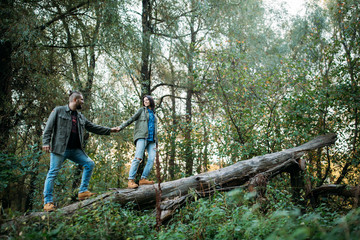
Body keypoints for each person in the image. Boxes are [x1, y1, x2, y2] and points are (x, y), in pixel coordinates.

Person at [42, 90, 119, 212]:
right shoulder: (58, 111)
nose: (83, 102)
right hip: (59, 149)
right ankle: (48, 203)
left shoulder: (80, 117)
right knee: (53, 173)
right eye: (81, 100)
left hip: (75, 150)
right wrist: (45, 142)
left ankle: (83, 191)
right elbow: (48, 127)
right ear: (75, 100)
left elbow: (93, 127)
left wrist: (110, 130)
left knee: (89, 163)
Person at [118, 95, 158, 189]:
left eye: (147, 100)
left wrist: (156, 142)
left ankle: (143, 179)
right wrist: (121, 127)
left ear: (151, 101)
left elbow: (155, 128)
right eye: (144, 100)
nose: (145, 101)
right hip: (142, 137)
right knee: (138, 158)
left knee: (152, 159)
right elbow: (131, 119)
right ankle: (130, 180)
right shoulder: (141, 111)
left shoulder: (154, 113)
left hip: (152, 140)